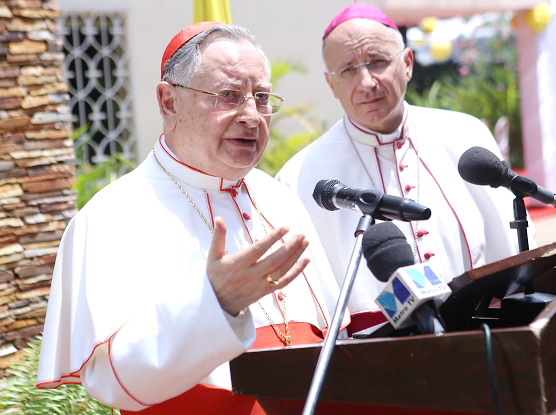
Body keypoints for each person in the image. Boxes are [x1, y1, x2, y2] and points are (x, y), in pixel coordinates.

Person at [36, 22, 348, 414]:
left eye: (262, 97)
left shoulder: (280, 197)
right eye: (228, 96)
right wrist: (215, 304)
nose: (252, 116)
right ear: (169, 103)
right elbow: (110, 382)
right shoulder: (110, 217)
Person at [277, 3, 528, 336]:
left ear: (407, 63)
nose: (366, 82)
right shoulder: (301, 176)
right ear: (330, 84)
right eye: (348, 70)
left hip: (482, 333)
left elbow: (507, 252)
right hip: (377, 357)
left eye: (378, 62)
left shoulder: (464, 134)